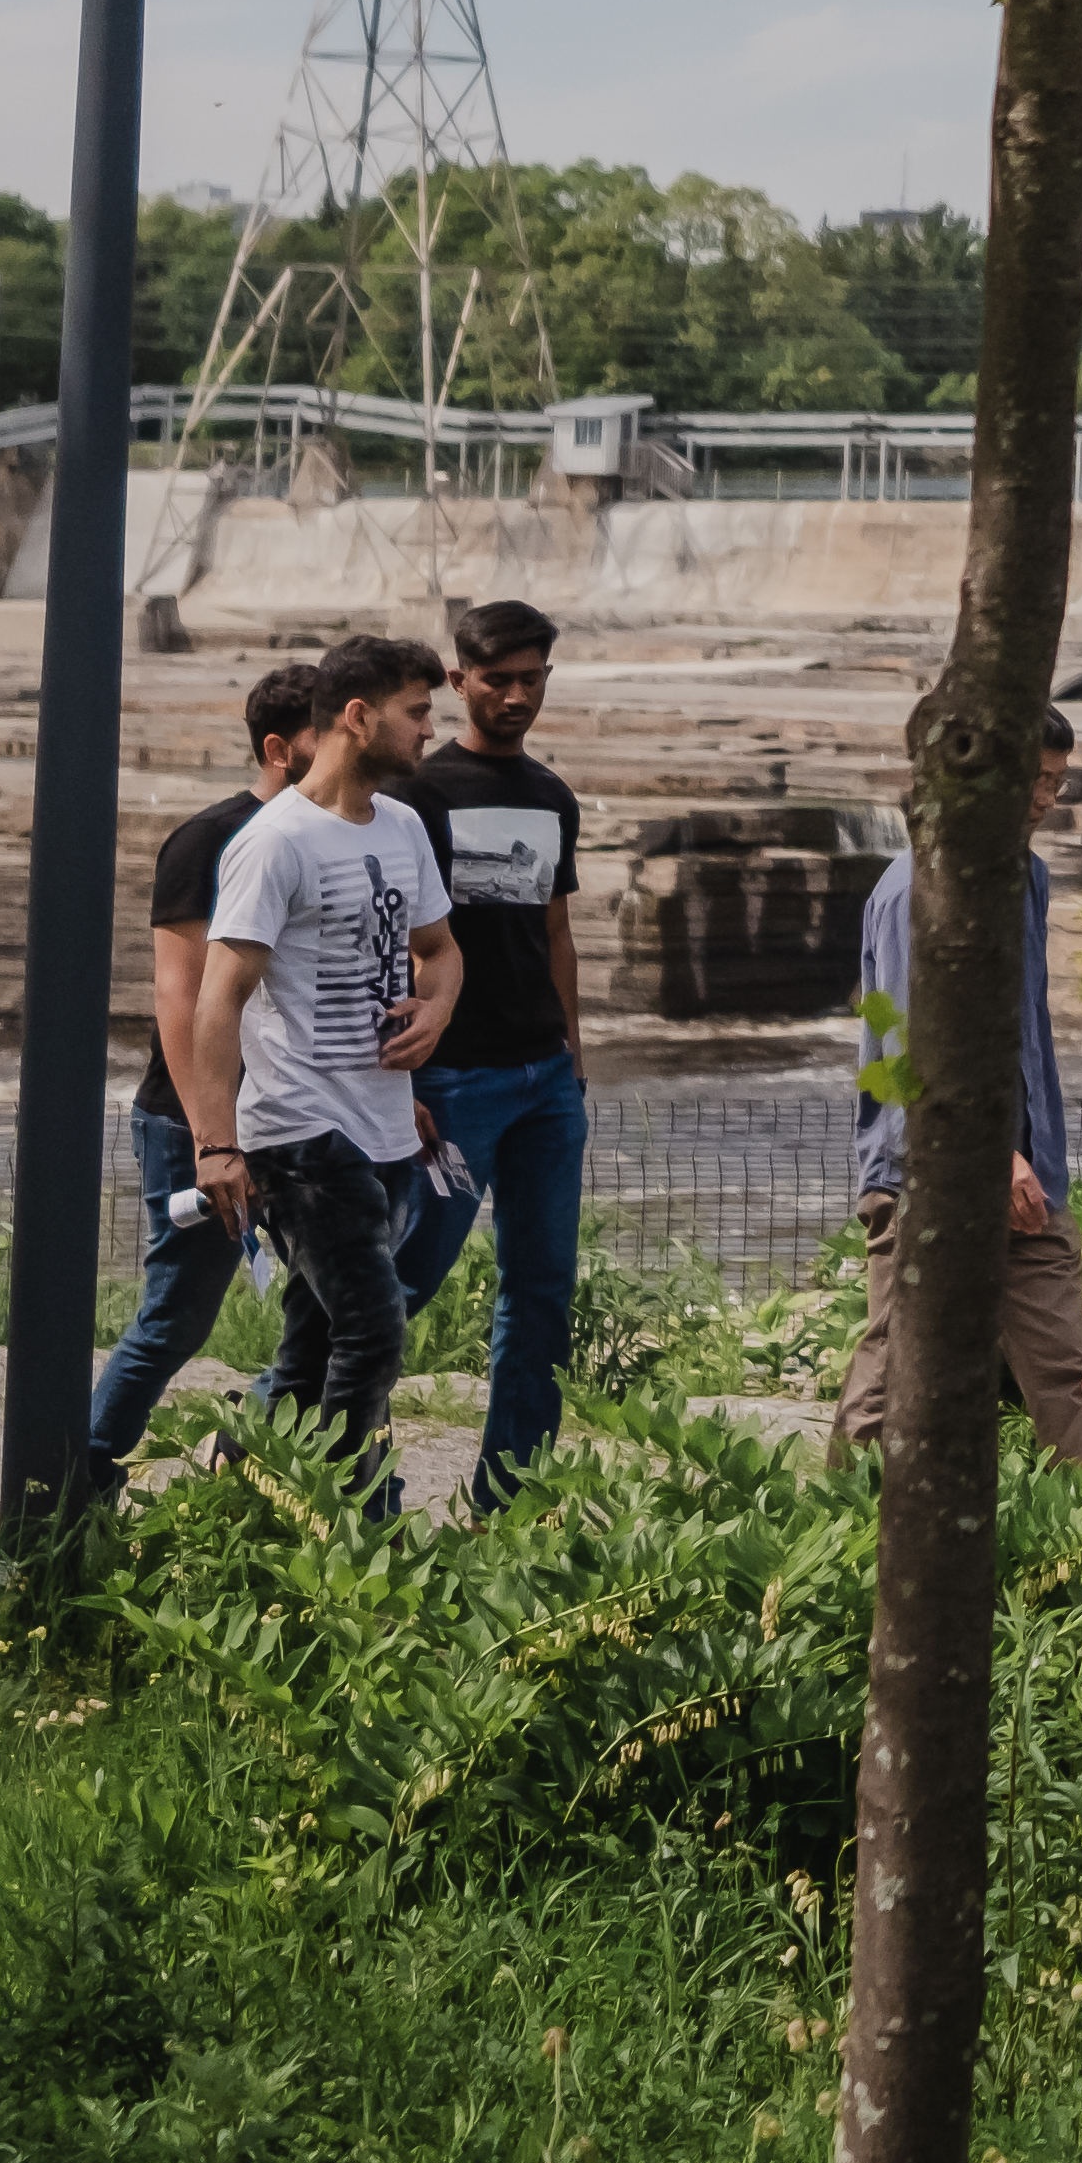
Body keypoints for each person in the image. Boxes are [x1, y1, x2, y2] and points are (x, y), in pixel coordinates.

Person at [186, 632, 461, 1493]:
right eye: (417, 713)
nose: (428, 731)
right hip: (300, 1133)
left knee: (310, 1346)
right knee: (375, 1330)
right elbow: (217, 998)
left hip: (383, 1124)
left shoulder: (406, 826)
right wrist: (216, 1145)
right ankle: (345, 1511)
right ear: (357, 716)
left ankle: (244, 1464)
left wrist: (437, 1009)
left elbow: (440, 950)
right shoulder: (276, 843)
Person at [835, 708, 1082, 1470]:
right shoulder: (912, 892)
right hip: (922, 1173)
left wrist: (1031, 1157)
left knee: (1070, 1369)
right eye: (1033, 779)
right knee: (896, 1365)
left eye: (1055, 784)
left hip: (1031, 1175)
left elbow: (1023, 1033)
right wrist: (988, 1155)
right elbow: (898, 1048)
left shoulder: (1028, 875)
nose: (1042, 799)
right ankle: (843, 1528)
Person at [88, 657, 322, 1475]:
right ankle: (77, 1477)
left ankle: (248, 1441)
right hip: (195, 1117)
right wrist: (209, 1134)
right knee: (178, 1318)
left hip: (296, 1111)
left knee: (342, 1302)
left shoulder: (336, 834)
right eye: (324, 737)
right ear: (278, 748)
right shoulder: (207, 840)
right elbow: (179, 997)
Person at [382, 597, 591, 1499]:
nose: (515, 696)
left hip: (545, 1082)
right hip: (453, 1083)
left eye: (531, 680)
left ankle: (507, 1497)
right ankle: (283, 1424)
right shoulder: (416, 798)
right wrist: (404, 1084)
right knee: (405, 1278)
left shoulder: (552, 797)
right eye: (496, 680)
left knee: (542, 1293)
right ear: (460, 679)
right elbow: (389, 945)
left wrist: (575, 1059)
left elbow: (555, 932)